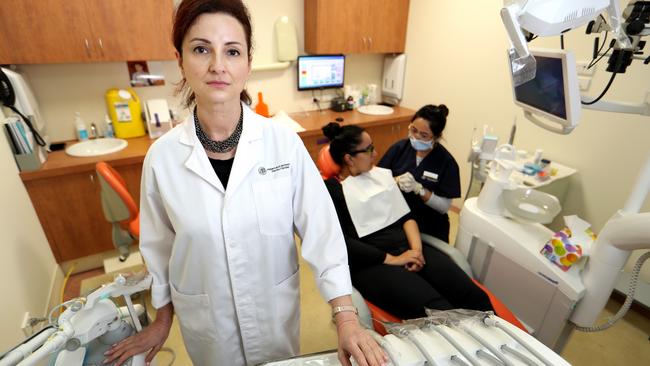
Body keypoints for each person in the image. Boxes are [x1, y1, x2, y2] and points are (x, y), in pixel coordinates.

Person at [104, 1, 387, 365]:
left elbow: (324, 235)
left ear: (247, 63)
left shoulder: (284, 145)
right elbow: (159, 250)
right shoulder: (162, 159)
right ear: (180, 59)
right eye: (201, 49)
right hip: (207, 326)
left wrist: (346, 319)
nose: (217, 65)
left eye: (232, 51)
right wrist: (162, 318)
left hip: (274, 320)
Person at [321, 122, 493, 320]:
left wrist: (416, 251)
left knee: (473, 296)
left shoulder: (380, 176)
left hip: (410, 248)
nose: (376, 153)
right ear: (349, 159)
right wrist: (394, 259)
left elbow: (406, 216)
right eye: (369, 149)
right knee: (439, 312)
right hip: (373, 262)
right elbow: (343, 242)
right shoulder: (331, 191)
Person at [378, 104, 460, 243]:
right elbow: (377, 181)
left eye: (424, 135)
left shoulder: (446, 163)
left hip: (429, 225)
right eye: (413, 130)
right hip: (398, 219)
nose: (416, 137)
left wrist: (420, 190)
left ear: (437, 137)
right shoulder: (399, 148)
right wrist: (395, 180)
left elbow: (444, 207)